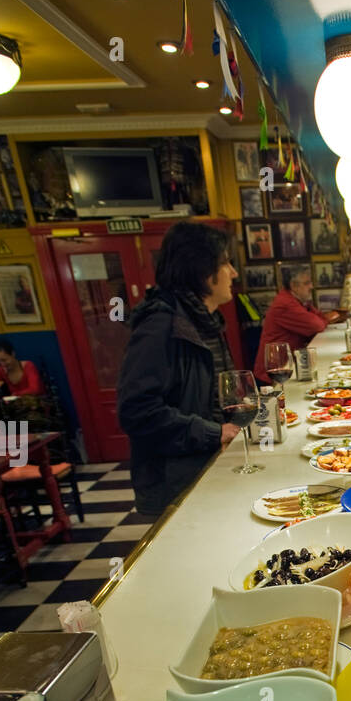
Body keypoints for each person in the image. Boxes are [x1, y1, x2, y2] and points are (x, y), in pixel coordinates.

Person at [117, 220, 241, 521]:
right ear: (204, 272)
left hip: (206, 469)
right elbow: (137, 412)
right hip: (173, 486)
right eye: (226, 263)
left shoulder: (203, 320)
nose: (234, 273)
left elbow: (213, 397)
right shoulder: (160, 325)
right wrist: (214, 432)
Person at [254, 265, 340, 378]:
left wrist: (321, 319)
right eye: (307, 283)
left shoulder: (298, 301)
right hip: (272, 373)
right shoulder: (286, 303)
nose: (312, 286)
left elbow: (319, 317)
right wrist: (323, 319)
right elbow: (317, 325)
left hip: (286, 365)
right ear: (294, 285)